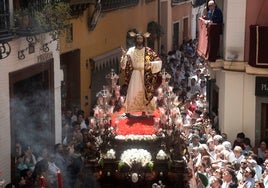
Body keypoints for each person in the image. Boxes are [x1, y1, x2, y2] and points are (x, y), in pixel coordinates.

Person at [120, 31, 162, 117]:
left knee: (145, 92)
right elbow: (124, 65)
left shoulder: (148, 50)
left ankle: (144, 111)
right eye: (138, 38)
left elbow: (158, 61)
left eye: (141, 39)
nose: (139, 40)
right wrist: (124, 56)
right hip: (135, 74)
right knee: (132, 91)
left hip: (145, 74)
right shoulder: (131, 50)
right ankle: (129, 110)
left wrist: (151, 64)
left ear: (143, 40)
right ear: (136, 40)